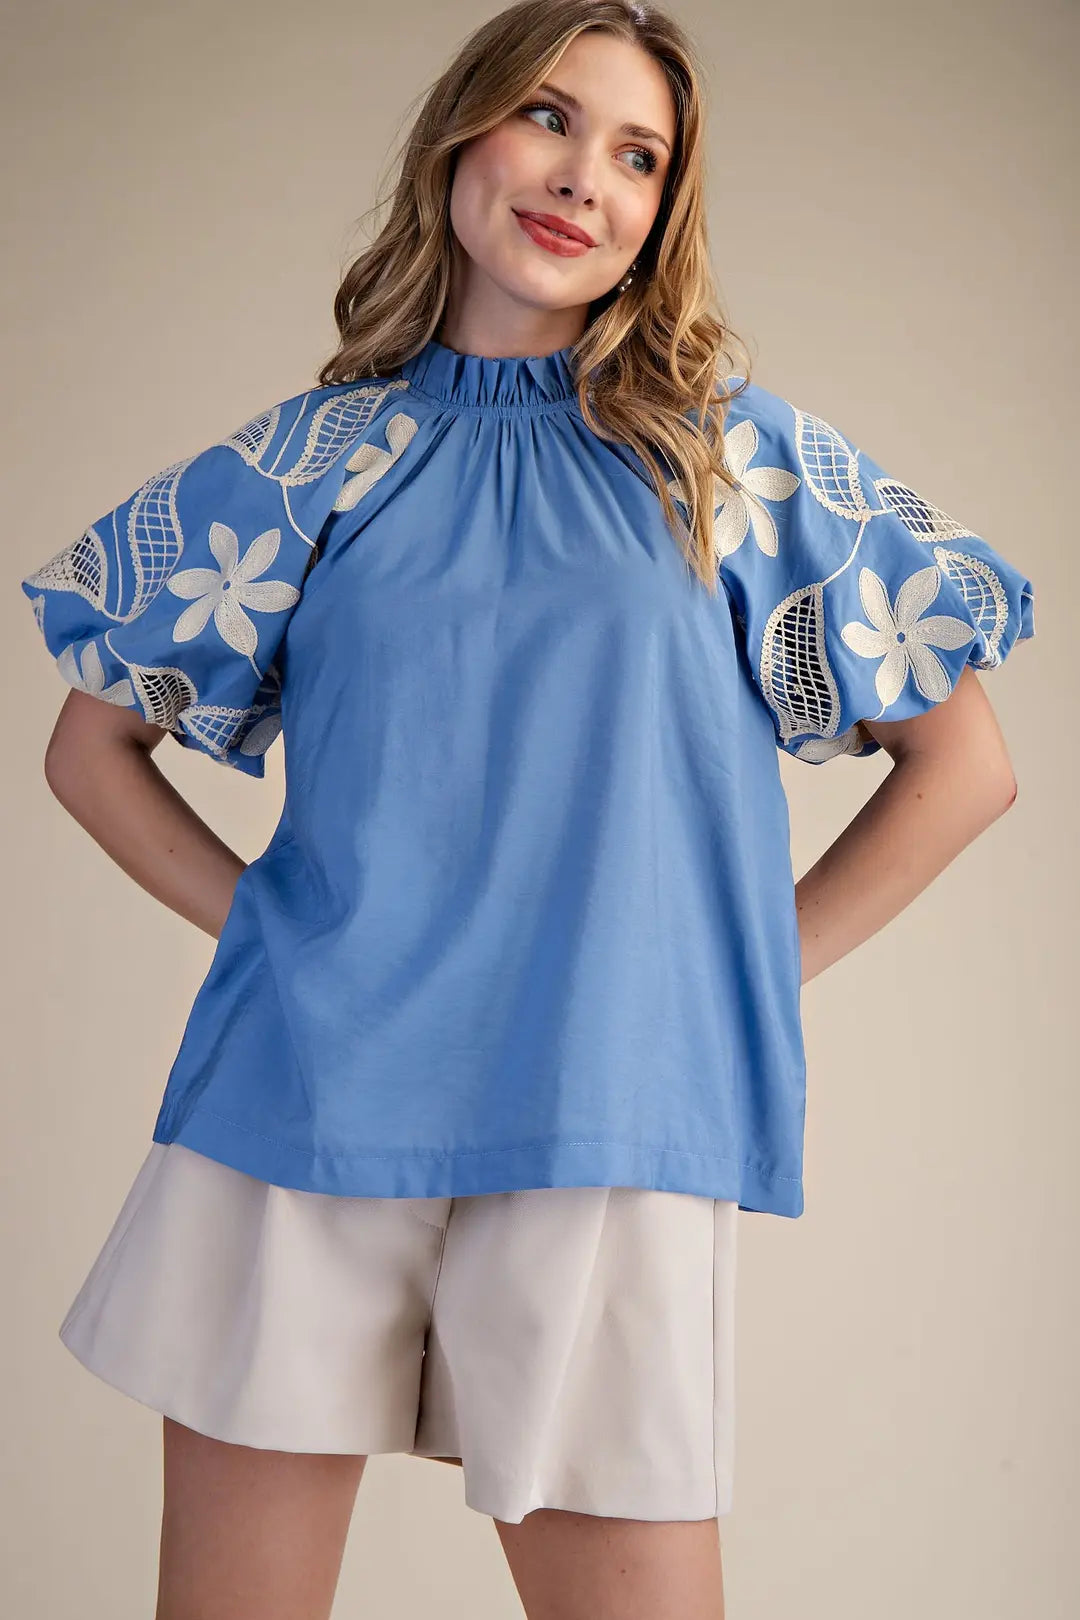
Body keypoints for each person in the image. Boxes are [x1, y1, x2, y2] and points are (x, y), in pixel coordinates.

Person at [20, 3, 1035, 1618]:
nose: (583, 179)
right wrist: (284, 935)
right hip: (303, 1105)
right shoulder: (316, 462)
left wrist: (729, 977)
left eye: (639, 155)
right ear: (463, 133)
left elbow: (967, 765)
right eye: (551, 119)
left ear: (662, 210)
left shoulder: (731, 462)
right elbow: (89, 751)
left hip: (603, 1118)